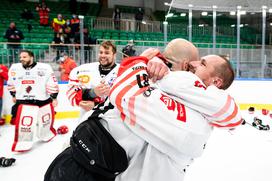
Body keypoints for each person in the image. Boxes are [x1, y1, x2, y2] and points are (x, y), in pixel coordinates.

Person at [44, 39, 242, 181]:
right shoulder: (163, 86)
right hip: (80, 160)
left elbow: (124, 95)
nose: (195, 65)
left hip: (86, 166)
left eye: (202, 63)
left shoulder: (193, 117)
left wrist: (141, 61)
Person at [7, 50, 59, 152]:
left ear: (31, 57)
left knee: (45, 123)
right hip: (23, 101)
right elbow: (11, 83)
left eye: (24, 57)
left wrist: (54, 97)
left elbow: (51, 83)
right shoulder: (14, 68)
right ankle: (23, 144)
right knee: (25, 125)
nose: (21, 59)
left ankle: (46, 134)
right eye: (21, 57)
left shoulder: (44, 68)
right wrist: (13, 94)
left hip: (42, 101)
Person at [67, 41, 119, 118]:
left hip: (112, 121)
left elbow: (125, 102)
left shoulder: (122, 72)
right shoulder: (83, 70)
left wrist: (96, 105)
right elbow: (72, 95)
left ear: (114, 55)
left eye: (107, 53)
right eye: (101, 52)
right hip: (86, 120)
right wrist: (92, 93)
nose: (103, 55)